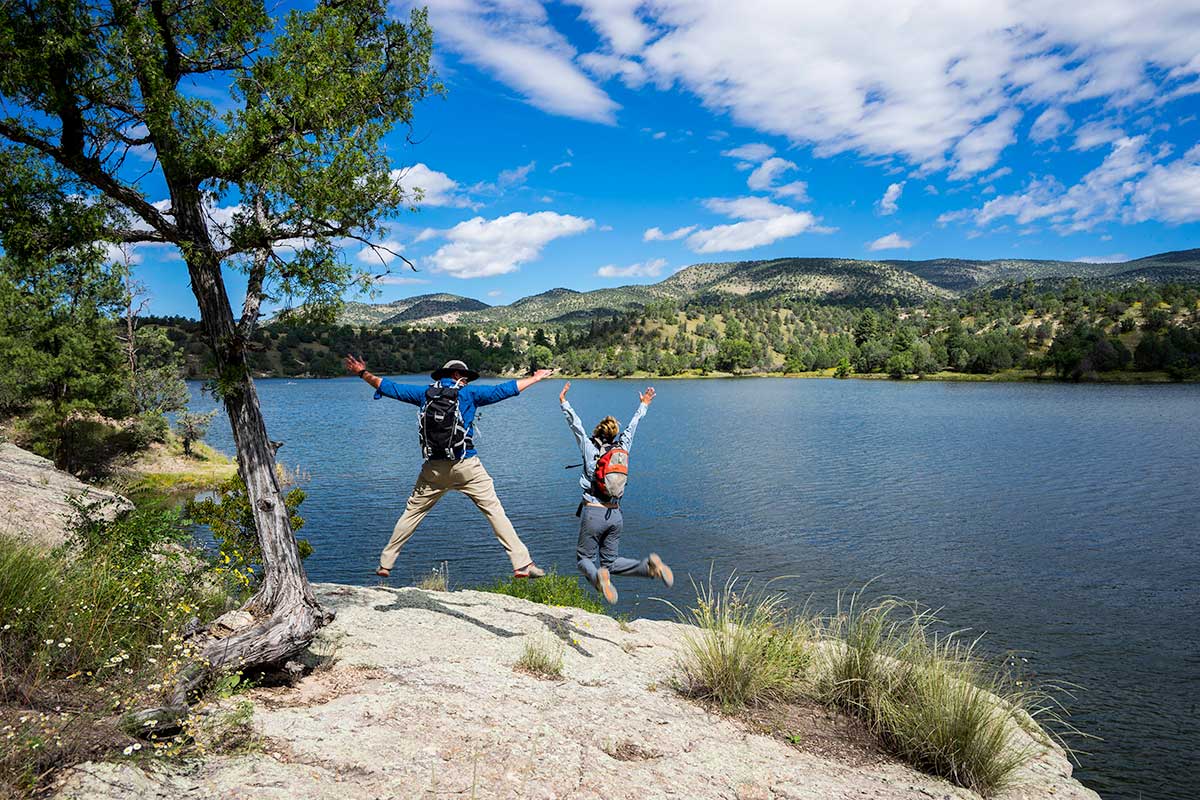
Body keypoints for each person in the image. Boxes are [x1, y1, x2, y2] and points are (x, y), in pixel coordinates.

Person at [344, 355, 554, 580]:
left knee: (412, 513)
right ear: (455, 375)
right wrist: (536, 378)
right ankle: (521, 563)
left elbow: (389, 387)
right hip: (466, 465)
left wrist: (361, 373)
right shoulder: (469, 394)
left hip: (433, 469)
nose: (466, 381)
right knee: (494, 511)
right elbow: (505, 389)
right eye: (464, 377)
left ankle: (386, 563)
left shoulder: (424, 394)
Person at [559, 381, 673, 604]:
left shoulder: (590, 449)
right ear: (613, 434)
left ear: (597, 433)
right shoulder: (622, 448)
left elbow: (577, 427)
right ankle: (649, 567)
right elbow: (632, 427)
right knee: (610, 562)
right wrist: (644, 405)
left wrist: (564, 402)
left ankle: (599, 579)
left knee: (584, 559)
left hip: (593, 513)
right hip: (616, 515)